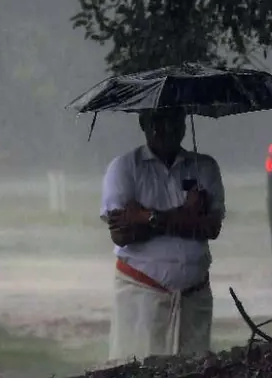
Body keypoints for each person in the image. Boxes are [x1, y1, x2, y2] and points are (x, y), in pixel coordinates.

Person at [100, 107, 226, 362]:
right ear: (143, 123)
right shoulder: (124, 168)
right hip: (141, 296)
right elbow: (122, 234)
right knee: (137, 369)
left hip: (194, 297)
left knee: (193, 370)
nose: (167, 128)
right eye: (158, 121)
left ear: (184, 122)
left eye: (174, 119)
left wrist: (146, 216)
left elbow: (211, 228)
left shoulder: (205, 167)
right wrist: (186, 215)